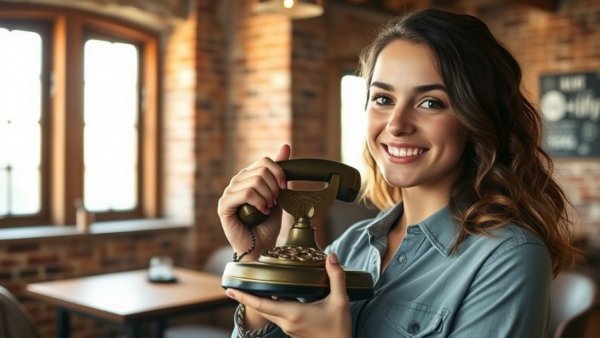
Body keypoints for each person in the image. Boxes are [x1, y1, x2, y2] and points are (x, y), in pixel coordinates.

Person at [217, 8, 580, 338]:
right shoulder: (351, 245)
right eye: (383, 99)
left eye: (430, 102)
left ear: (477, 118)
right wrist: (256, 260)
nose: (396, 124)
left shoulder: (509, 257)